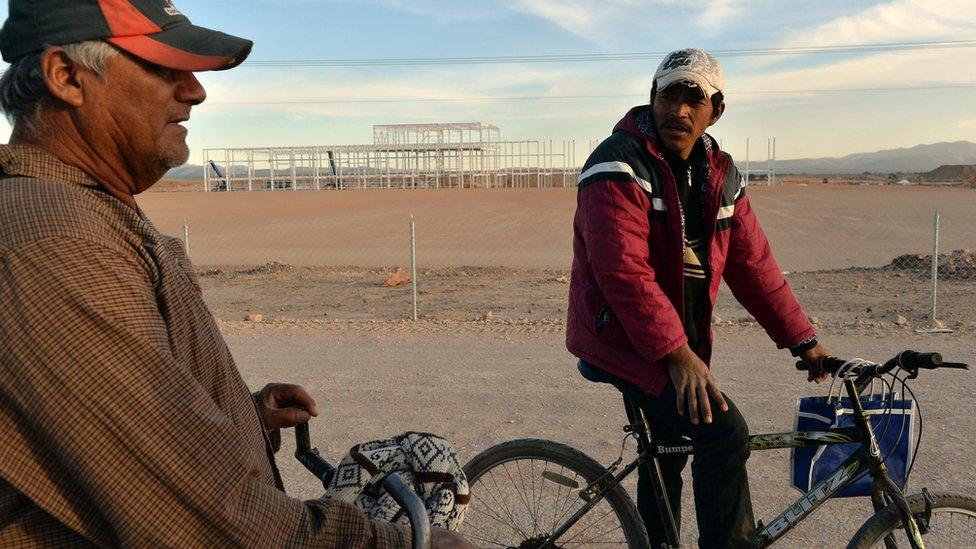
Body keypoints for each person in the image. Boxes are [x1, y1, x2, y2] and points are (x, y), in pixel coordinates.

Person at [0, 1, 471, 547]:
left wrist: (239, 419)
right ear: (67, 77)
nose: (196, 91)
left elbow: (108, 442)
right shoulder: (57, 244)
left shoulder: (88, 209)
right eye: (163, 66)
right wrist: (406, 544)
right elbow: (205, 522)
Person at [566, 48, 829, 547]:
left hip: (669, 341)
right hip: (622, 338)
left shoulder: (719, 174)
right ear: (652, 98)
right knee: (724, 433)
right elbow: (623, 273)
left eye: (695, 99)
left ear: (717, 111)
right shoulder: (618, 161)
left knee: (669, 452)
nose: (679, 110)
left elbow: (754, 268)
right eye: (670, 95)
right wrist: (679, 355)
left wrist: (804, 341)